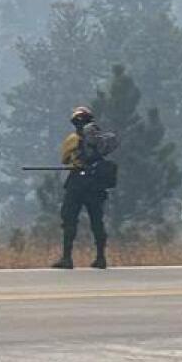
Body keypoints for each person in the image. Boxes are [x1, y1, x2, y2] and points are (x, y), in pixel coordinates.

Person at [52, 106, 110, 270]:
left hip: (77, 181)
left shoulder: (72, 138)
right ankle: (101, 257)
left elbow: (64, 159)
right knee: (97, 221)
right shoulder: (100, 139)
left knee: (69, 219)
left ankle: (67, 258)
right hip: (96, 183)